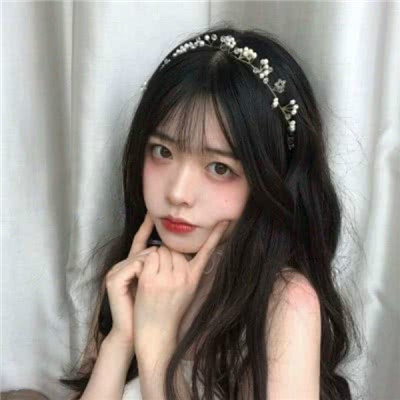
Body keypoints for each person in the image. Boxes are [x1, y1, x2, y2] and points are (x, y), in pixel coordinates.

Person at [59, 23, 361, 399]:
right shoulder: (134, 272)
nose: (178, 193)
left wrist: (157, 346)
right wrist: (121, 339)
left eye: (219, 168)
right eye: (163, 152)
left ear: (268, 178)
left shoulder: (284, 304)